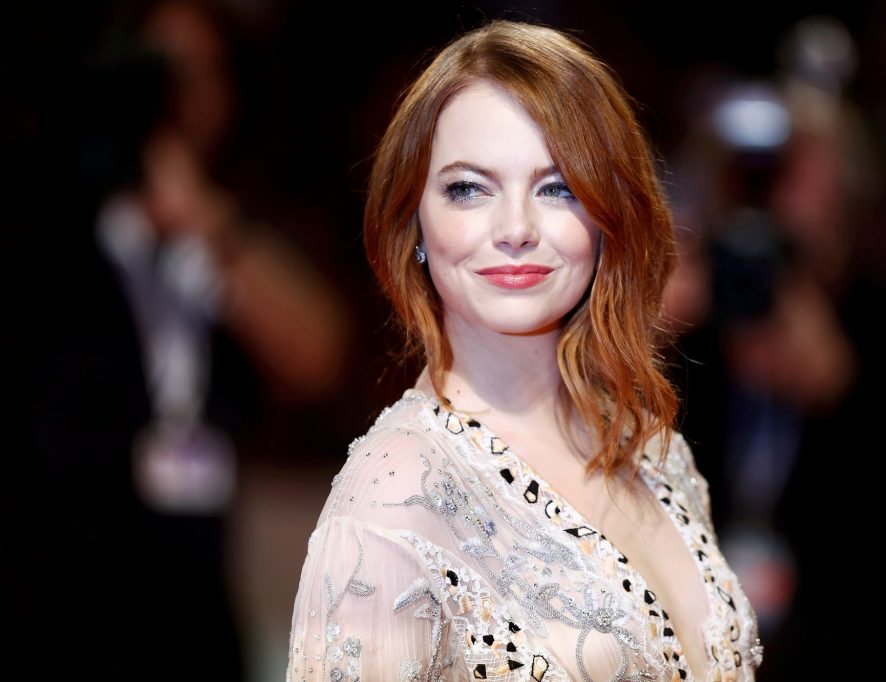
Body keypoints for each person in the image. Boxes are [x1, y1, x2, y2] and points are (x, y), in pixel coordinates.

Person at [287, 20, 762, 682]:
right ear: (414, 221)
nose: (515, 229)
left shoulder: (652, 448)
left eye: (557, 187)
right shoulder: (394, 498)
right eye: (468, 188)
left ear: (607, 218)